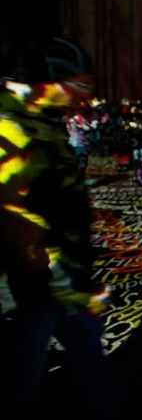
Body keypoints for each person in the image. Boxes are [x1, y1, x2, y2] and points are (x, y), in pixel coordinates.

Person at [0, 37, 120, 419]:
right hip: (30, 288)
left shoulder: (41, 124)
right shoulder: (9, 129)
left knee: (90, 361)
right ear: (46, 81)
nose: (83, 96)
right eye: (77, 85)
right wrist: (68, 285)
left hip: (60, 278)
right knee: (17, 383)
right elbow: (16, 222)